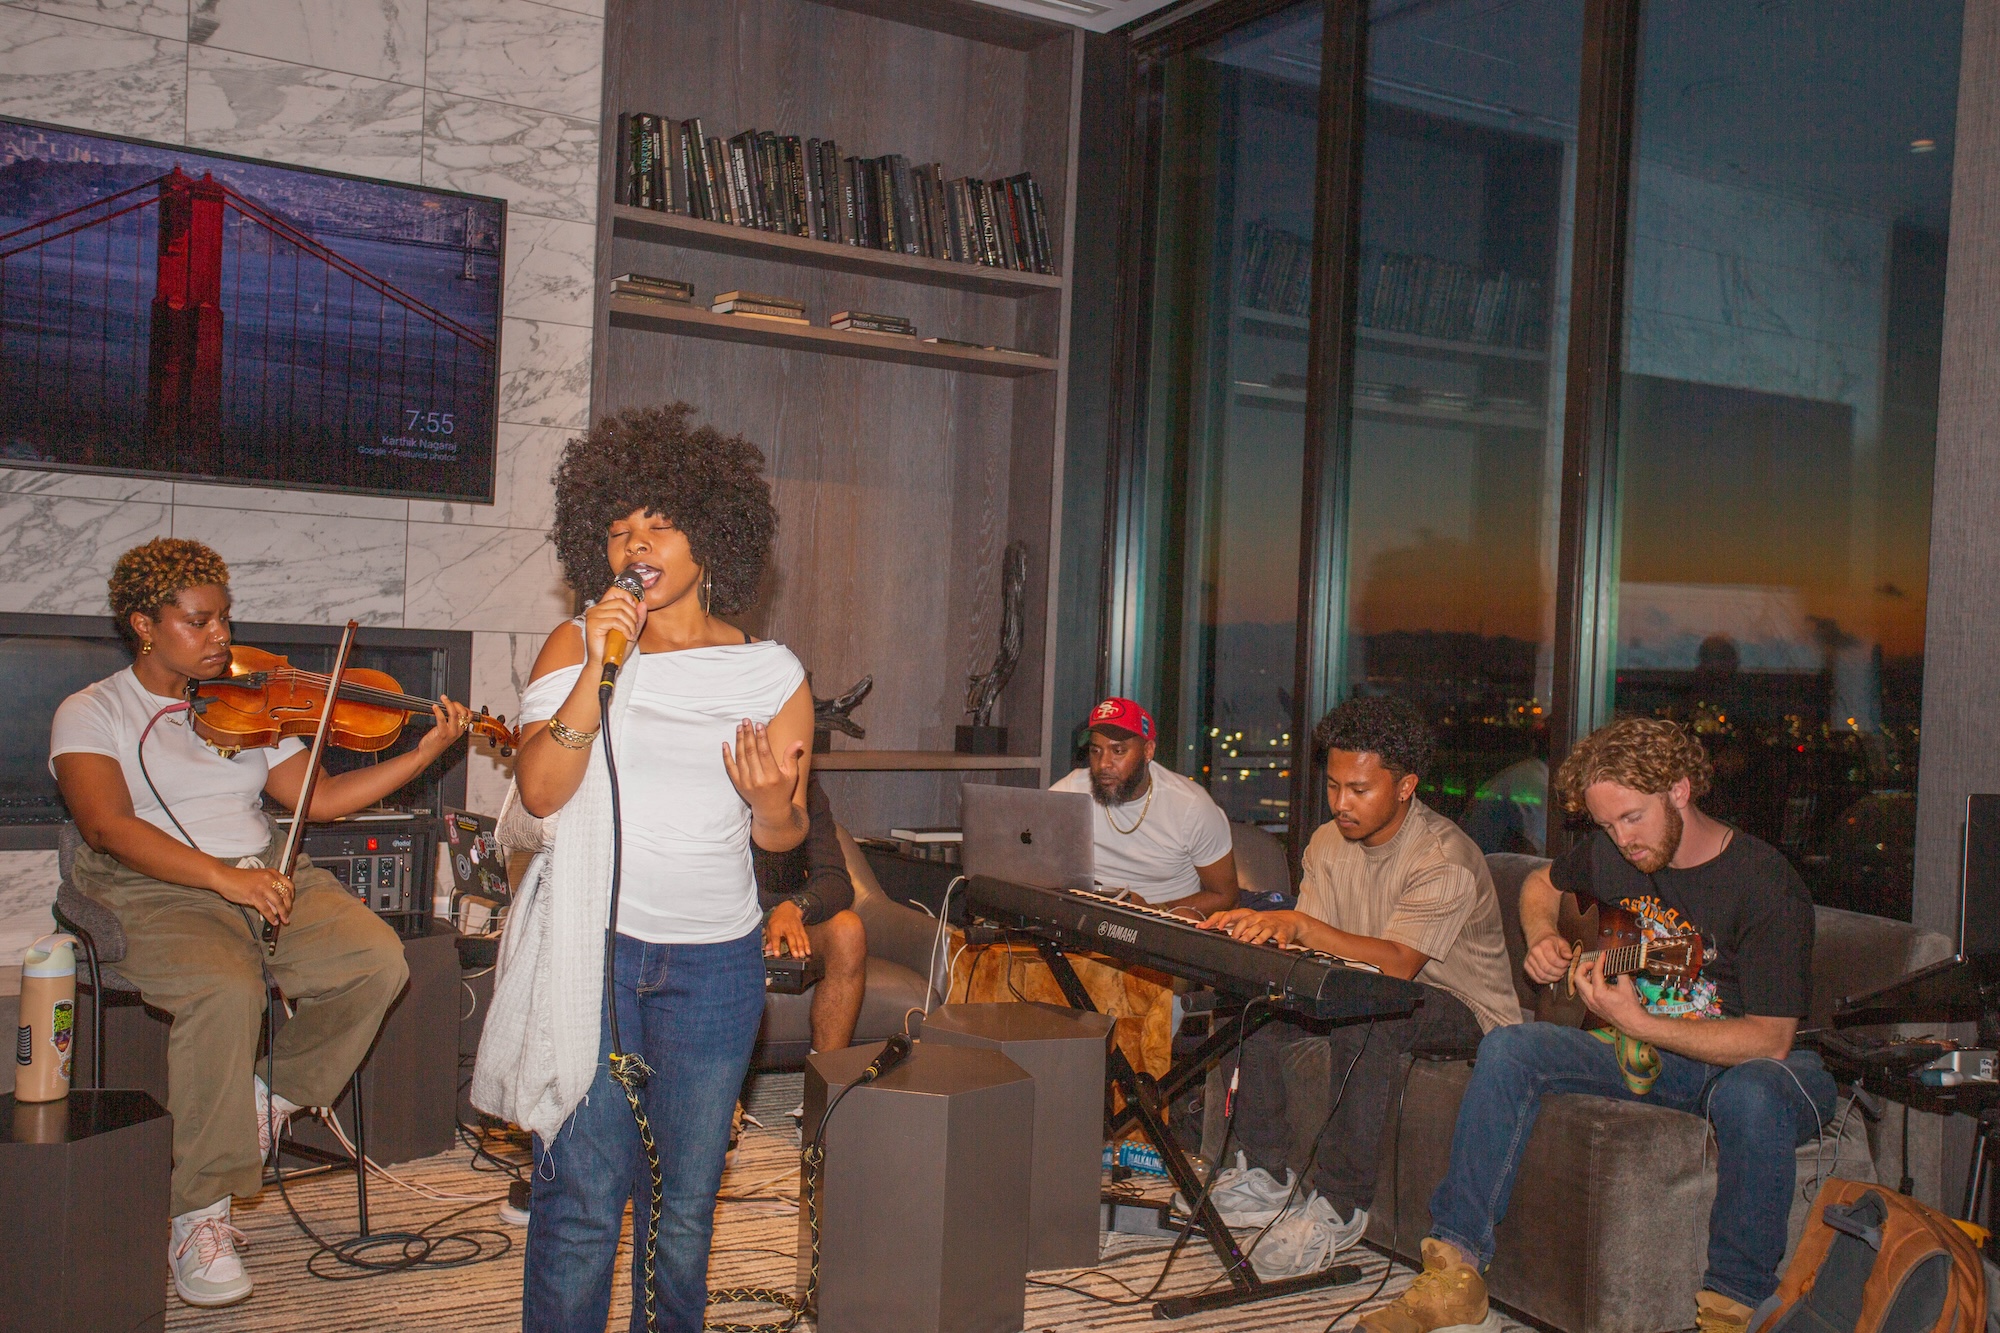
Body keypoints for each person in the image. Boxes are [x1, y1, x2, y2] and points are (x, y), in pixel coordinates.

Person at [52, 538, 469, 1309]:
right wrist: (225, 880)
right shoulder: (92, 710)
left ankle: (268, 1095)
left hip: (264, 867)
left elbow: (324, 798)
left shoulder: (248, 698)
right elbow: (106, 825)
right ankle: (199, 1213)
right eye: (199, 620)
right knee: (227, 987)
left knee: (378, 959)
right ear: (145, 623)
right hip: (153, 884)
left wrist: (425, 752)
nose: (221, 635)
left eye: (225, 618)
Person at [471, 402, 812, 1333]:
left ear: (712, 535)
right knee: (581, 1200)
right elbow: (540, 791)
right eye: (620, 527)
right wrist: (599, 662)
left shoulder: (771, 671)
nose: (636, 542)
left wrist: (770, 803)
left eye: (659, 522)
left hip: (716, 966)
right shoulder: (574, 644)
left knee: (683, 1211)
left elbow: (784, 837)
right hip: (598, 955)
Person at [1362, 718, 1834, 1333]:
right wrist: (1543, 936)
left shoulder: (1765, 884)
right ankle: (1455, 1274)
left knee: (1752, 1096)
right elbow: (1540, 882)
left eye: (1632, 818)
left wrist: (1637, 1020)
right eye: (1607, 824)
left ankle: (1733, 1312)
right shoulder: (1613, 853)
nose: (1622, 839)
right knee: (1509, 1047)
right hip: (1651, 1054)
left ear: (1680, 790)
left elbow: (1770, 1039)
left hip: (1761, 1066)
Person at [1198, 696, 1520, 1280]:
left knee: (1370, 1014)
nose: (1341, 803)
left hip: (1464, 1009)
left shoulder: (1444, 857)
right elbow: (1315, 955)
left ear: (1405, 787)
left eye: (1359, 789)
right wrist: (1259, 940)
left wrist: (1300, 925)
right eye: (1333, 785)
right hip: (1356, 983)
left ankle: (1341, 1206)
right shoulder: (1327, 842)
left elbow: (1398, 966)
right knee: (1249, 995)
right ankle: (1265, 1174)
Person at [1050, 697, 1240, 918]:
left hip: (1163, 927)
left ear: (1148, 751)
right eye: (1096, 751)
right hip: (1087, 918)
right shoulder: (1070, 792)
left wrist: (1154, 910)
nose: (1103, 764)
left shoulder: (1191, 806)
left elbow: (1226, 897)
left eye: (1118, 751)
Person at [754, 773, 866, 1054]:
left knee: (847, 929)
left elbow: (835, 880)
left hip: (781, 921)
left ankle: (825, 1077)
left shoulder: (805, 789)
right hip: (723, 921)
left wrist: (796, 907)